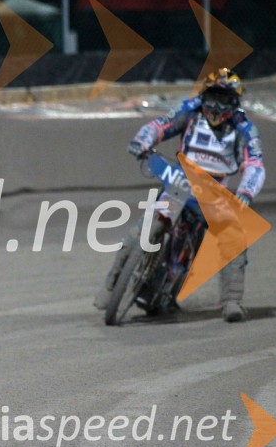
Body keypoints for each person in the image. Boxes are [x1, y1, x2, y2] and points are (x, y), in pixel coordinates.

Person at [94, 68, 265, 322]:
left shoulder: (244, 129)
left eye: (224, 99)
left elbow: (255, 164)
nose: (216, 106)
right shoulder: (190, 111)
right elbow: (160, 125)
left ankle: (232, 301)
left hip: (215, 193)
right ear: (204, 95)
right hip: (180, 183)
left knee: (233, 237)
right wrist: (142, 141)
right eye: (212, 97)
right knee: (143, 228)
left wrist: (246, 192)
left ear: (235, 101)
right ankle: (111, 286)